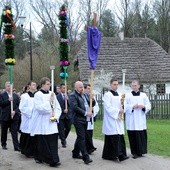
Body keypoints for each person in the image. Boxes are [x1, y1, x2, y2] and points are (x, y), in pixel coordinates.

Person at [30, 77, 61, 167]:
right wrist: (49, 102)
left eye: (50, 84)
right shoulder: (38, 95)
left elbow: (58, 107)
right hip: (42, 122)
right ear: (43, 84)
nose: (49, 85)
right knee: (43, 143)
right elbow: (40, 109)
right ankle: (49, 160)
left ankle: (54, 159)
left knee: (53, 142)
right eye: (48, 84)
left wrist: (56, 116)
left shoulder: (52, 94)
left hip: (52, 122)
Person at [102, 78, 128, 162]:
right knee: (113, 137)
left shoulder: (121, 94)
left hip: (119, 119)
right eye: (114, 84)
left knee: (119, 136)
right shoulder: (107, 95)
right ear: (110, 85)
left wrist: (123, 108)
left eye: (117, 84)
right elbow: (107, 107)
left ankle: (110, 155)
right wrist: (117, 111)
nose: (116, 86)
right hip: (111, 119)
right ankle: (119, 155)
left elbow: (124, 104)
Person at [70, 81, 95, 164]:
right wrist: (85, 113)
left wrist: (92, 98)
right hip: (78, 119)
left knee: (81, 136)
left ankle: (75, 153)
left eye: (82, 87)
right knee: (82, 137)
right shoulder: (73, 96)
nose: (82, 88)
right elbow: (75, 107)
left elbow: (91, 104)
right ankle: (85, 157)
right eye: (80, 87)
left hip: (85, 119)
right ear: (76, 88)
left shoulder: (84, 95)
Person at [124, 80, 151, 159]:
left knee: (141, 135)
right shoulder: (128, 95)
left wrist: (144, 107)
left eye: (135, 85)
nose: (134, 87)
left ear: (139, 86)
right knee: (133, 136)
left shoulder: (143, 95)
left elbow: (148, 104)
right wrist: (132, 106)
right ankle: (134, 152)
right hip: (131, 119)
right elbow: (125, 106)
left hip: (140, 118)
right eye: (132, 85)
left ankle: (141, 151)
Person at [0, 82, 20, 151]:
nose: (9, 87)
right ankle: (4, 144)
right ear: (5, 87)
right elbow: (1, 104)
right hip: (5, 116)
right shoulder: (2, 95)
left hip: (14, 116)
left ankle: (16, 146)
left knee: (14, 131)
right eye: (8, 86)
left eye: (10, 86)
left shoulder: (15, 95)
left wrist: (15, 111)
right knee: (4, 131)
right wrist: (8, 100)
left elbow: (19, 105)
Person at [19, 81, 37, 157]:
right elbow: (21, 107)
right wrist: (31, 111)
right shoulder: (24, 96)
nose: (35, 86)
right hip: (27, 118)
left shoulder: (37, 95)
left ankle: (34, 151)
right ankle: (26, 150)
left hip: (35, 119)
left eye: (35, 85)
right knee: (27, 134)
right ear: (29, 86)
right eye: (33, 85)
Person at [84, 83, 99, 154]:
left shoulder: (92, 97)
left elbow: (97, 107)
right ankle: (88, 147)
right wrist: (88, 110)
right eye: (88, 88)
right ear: (85, 89)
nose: (89, 90)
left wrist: (93, 109)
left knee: (90, 133)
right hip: (85, 117)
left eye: (90, 88)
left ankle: (90, 147)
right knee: (85, 134)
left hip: (91, 117)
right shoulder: (83, 96)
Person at [57, 83, 72, 148]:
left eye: (65, 88)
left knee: (68, 128)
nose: (65, 89)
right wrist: (63, 110)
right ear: (60, 89)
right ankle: (63, 141)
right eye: (63, 88)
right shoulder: (57, 97)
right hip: (61, 116)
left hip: (68, 115)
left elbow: (72, 105)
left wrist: (68, 100)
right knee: (61, 129)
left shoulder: (69, 96)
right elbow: (57, 106)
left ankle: (63, 137)